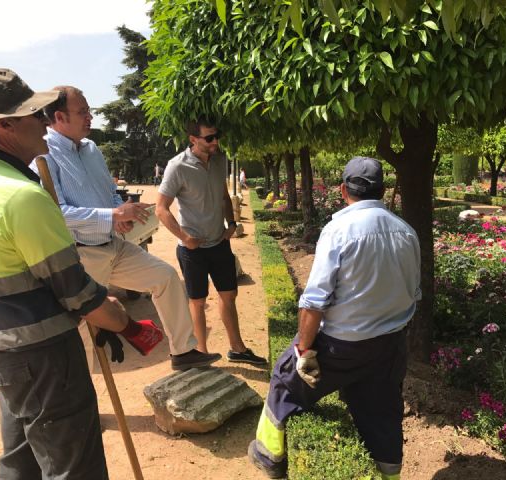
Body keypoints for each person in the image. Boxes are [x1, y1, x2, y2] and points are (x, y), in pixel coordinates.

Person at [0, 68, 164, 479]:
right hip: (45, 359)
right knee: (75, 467)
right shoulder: (22, 197)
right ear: (3, 126)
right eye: (33, 114)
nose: (43, 121)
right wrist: (128, 327)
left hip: (3, 354)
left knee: (20, 462)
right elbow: (80, 296)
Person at [247, 156, 421, 480]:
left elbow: (314, 303)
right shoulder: (407, 232)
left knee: (285, 379)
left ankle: (268, 455)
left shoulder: (338, 230)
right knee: (382, 415)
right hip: (390, 347)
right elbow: (414, 294)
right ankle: (390, 475)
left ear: (343, 190)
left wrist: (302, 350)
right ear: (382, 191)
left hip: (342, 348)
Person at [34, 86, 220, 371]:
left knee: (165, 277)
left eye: (88, 110)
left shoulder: (91, 149)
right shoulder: (43, 155)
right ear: (59, 117)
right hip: (80, 256)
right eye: (82, 112)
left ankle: (183, 352)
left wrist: (120, 215)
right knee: (83, 333)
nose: (90, 117)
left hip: (112, 246)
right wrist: (111, 214)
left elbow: (109, 192)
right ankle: (79, 407)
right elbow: (55, 214)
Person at [156, 117, 267, 365]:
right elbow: (161, 209)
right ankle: (202, 355)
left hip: (219, 243)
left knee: (229, 295)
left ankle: (237, 349)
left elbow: (225, 196)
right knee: (197, 301)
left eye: (217, 136)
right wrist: (185, 237)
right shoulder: (178, 166)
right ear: (193, 140)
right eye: (209, 138)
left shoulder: (218, 161)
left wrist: (232, 223)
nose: (215, 141)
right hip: (192, 249)